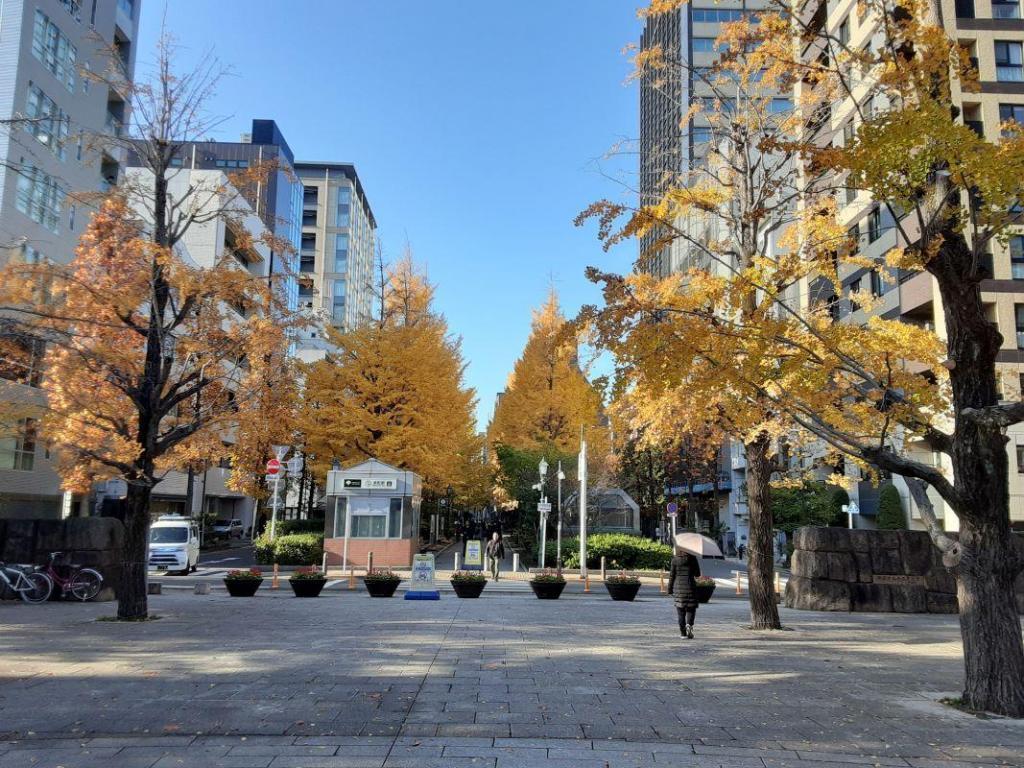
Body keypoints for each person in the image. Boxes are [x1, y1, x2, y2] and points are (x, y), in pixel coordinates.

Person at [667, 547, 701, 639]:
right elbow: (697, 574)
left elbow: (671, 576)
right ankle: (689, 625)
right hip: (690, 587)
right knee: (691, 608)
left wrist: (669, 589)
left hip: (678, 589)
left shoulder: (675, 560)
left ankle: (683, 634)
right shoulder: (692, 558)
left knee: (680, 612)